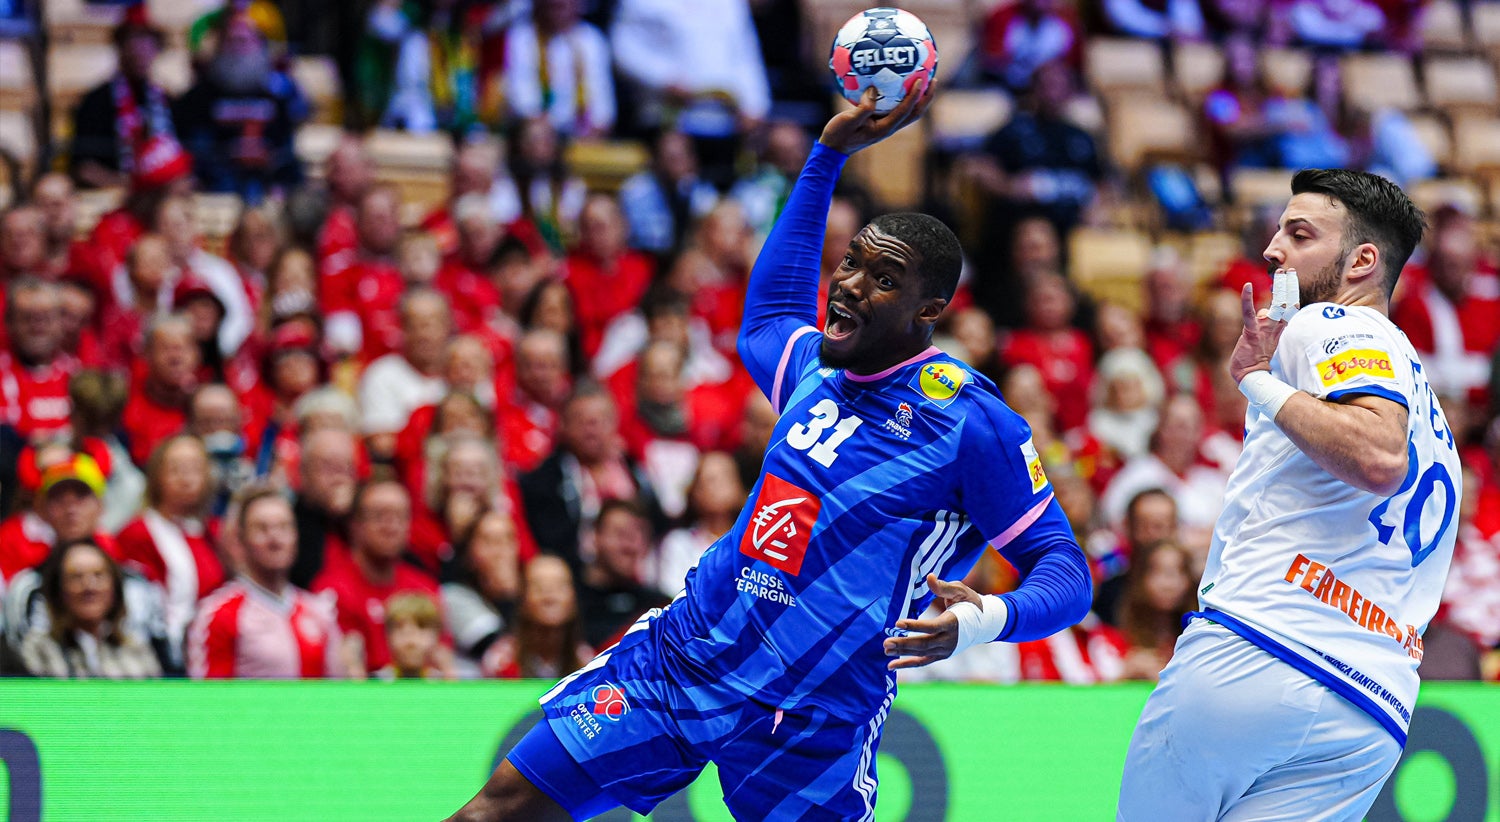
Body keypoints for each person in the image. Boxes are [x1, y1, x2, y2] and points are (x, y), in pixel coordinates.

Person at [446, 84, 1091, 822]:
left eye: (883, 281)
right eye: (849, 264)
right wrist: (827, 154)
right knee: (493, 811)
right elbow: (770, 311)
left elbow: (1066, 572)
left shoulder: (973, 423)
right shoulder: (812, 365)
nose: (848, 286)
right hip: (685, 663)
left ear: (930, 309)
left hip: (815, 716)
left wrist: (983, 620)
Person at [1118, 169, 1461, 819]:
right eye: (1277, 230)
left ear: (1363, 261)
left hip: (1263, 648)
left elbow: (1380, 455)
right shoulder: (1426, 396)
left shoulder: (1330, 322)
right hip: (1371, 707)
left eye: (1298, 234)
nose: (1273, 249)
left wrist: (1254, 380)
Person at [186, 486, 344, 678]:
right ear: (241, 540)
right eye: (262, 528)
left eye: (284, 527)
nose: (275, 539)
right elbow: (207, 700)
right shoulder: (219, 615)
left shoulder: (319, 612)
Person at [17, 539, 162, 679]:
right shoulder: (37, 649)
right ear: (58, 590)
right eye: (76, 577)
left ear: (114, 588)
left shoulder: (136, 649)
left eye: (98, 575)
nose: (89, 586)